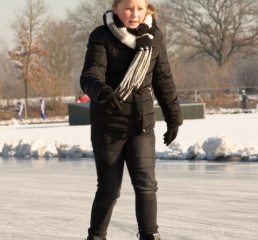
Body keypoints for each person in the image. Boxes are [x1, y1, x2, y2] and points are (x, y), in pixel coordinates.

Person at [80, 0, 183, 239]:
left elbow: (163, 79)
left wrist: (173, 118)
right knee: (109, 189)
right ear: (115, 8)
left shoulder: (154, 37)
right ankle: (96, 237)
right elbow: (90, 74)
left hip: (141, 125)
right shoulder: (101, 36)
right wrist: (102, 91)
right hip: (108, 125)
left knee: (146, 186)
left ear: (147, 8)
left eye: (139, 7)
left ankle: (150, 235)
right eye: (128, 8)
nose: (134, 13)